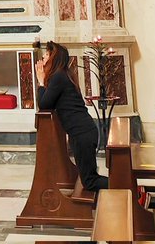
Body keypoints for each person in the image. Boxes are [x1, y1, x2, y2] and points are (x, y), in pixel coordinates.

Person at [36, 41, 108, 193]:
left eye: (47, 54)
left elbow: (44, 104)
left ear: (55, 58)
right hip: (82, 132)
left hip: (82, 133)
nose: (43, 56)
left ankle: (130, 186)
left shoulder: (59, 77)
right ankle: (128, 185)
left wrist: (41, 82)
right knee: (89, 178)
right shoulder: (63, 75)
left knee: (90, 181)